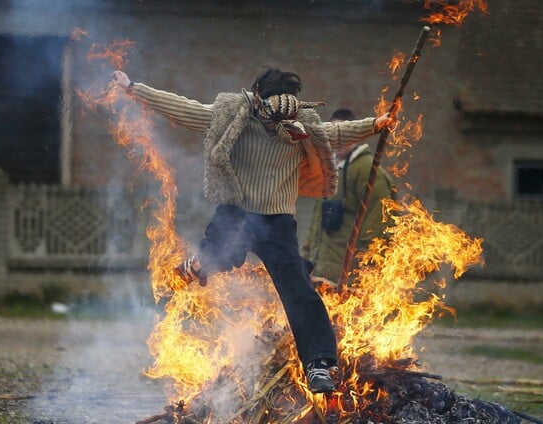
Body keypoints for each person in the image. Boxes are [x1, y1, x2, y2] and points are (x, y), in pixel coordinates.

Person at [111, 68, 395, 394]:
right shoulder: (235, 117)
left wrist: (375, 124)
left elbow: (336, 132)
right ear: (258, 96)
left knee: (300, 291)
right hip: (236, 213)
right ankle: (201, 263)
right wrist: (134, 88)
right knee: (221, 251)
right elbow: (186, 110)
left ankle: (318, 364)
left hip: (277, 224)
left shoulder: (303, 127)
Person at [302, 108, 396, 285]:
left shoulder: (368, 170)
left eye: (344, 133)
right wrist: (305, 261)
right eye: (335, 134)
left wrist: (365, 275)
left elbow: (379, 228)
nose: (339, 141)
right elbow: (315, 226)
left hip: (349, 280)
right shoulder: (327, 170)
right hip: (320, 275)